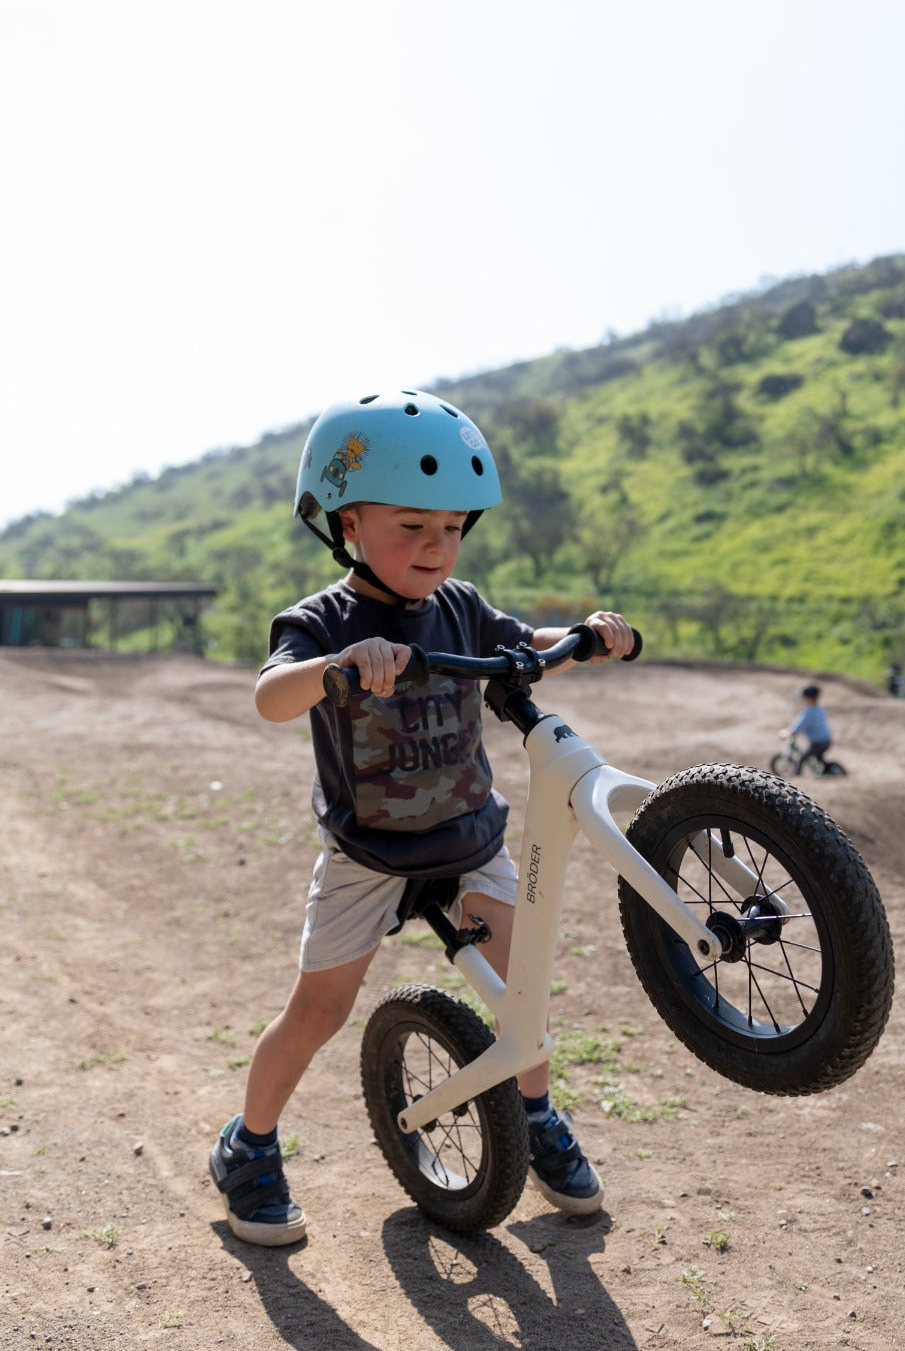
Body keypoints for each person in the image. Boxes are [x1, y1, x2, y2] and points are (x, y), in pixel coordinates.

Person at [209, 390, 635, 1246]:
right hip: (369, 856)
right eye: (411, 527)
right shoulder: (322, 620)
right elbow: (269, 695)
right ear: (347, 523)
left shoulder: (462, 606)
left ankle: (539, 1115)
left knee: (525, 988)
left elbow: (520, 645)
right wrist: (339, 664)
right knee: (319, 1013)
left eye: (451, 529)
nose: (436, 548)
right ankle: (248, 1147)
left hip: (469, 840)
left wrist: (585, 634)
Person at [782, 683, 833, 772]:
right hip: (826, 740)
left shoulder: (808, 713)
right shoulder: (819, 709)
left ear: (807, 698)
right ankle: (826, 769)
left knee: (801, 759)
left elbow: (798, 726)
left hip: (818, 743)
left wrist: (788, 732)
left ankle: (796, 777)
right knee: (818, 758)